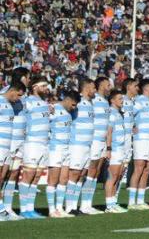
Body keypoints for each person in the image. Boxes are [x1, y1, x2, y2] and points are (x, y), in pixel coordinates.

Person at [20, 77, 51, 218]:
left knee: (37, 176)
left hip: (44, 144)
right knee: (28, 175)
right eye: (43, 85)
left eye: (46, 85)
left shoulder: (45, 103)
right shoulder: (28, 102)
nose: (46, 88)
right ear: (34, 87)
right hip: (32, 142)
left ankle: (30, 208)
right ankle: (23, 209)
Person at [46, 90, 78, 218]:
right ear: (68, 100)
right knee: (53, 180)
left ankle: (60, 208)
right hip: (56, 148)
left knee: (64, 179)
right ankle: (51, 210)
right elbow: (45, 124)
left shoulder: (69, 114)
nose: (74, 108)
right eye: (73, 105)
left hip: (67, 148)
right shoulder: (53, 109)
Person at [65, 78, 95, 215]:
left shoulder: (90, 103)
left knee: (82, 174)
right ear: (86, 88)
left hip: (87, 145)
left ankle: (74, 206)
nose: (94, 90)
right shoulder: (78, 101)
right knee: (74, 173)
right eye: (93, 88)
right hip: (77, 144)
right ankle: (68, 206)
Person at [81, 76, 110, 214]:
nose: (109, 87)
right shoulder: (93, 100)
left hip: (102, 141)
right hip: (94, 140)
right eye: (107, 84)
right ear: (100, 86)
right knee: (90, 171)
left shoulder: (105, 101)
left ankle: (88, 203)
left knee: (96, 172)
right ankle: (84, 204)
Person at [128, 78, 149, 210]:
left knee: (147, 169)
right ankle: (131, 201)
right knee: (139, 168)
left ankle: (140, 201)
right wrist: (132, 125)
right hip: (141, 139)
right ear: (146, 88)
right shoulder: (139, 101)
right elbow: (129, 114)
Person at [0, 83, 22, 221]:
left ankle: (3, 210)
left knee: (2, 177)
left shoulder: (8, 104)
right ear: (12, 91)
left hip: (6, 146)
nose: (19, 99)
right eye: (18, 95)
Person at [104, 91, 127, 213]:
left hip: (121, 148)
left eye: (122, 98)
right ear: (112, 100)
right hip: (115, 149)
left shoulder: (118, 113)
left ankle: (112, 203)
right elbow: (109, 131)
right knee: (112, 176)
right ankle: (109, 205)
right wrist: (108, 148)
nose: (122, 100)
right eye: (119, 98)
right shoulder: (112, 113)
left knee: (117, 176)